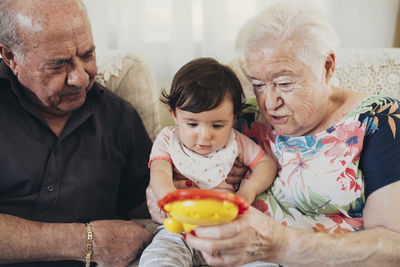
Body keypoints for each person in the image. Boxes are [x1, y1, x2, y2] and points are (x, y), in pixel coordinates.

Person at [181, 1, 400, 266]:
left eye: (284, 83)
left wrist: (282, 244)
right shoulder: (240, 119)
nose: (270, 103)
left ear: (327, 67)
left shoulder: (379, 120)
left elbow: (393, 244)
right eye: (258, 85)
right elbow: (181, 159)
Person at [0, 0, 154, 266]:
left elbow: (146, 205)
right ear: (10, 57)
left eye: (88, 55)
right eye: (58, 65)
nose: (81, 78)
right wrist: (86, 241)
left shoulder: (119, 117)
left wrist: (194, 168)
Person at [139, 57, 278, 267]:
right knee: (158, 258)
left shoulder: (237, 142)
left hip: (227, 230)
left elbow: (266, 165)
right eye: (192, 124)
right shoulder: (168, 139)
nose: (204, 137)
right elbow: (159, 173)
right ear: (174, 115)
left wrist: (247, 192)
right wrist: (169, 197)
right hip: (179, 228)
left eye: (217, 125)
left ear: (234, 118)